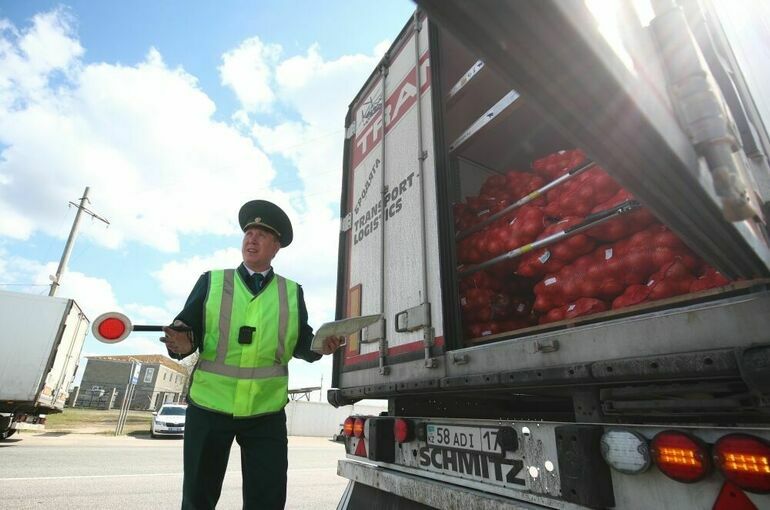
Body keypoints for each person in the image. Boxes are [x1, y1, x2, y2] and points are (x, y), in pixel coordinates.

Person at [162, 199, 343, 510]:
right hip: (210, 407)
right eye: (248, 233)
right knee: (197, 498)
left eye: (262, 235)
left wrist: (320, 346)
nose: (252, 239)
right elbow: (186, 330)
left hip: (265, 411)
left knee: (268, 500)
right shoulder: (212, 281)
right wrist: (179, 343)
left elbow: (301, 341)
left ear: (276, 247)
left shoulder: (291, 292)